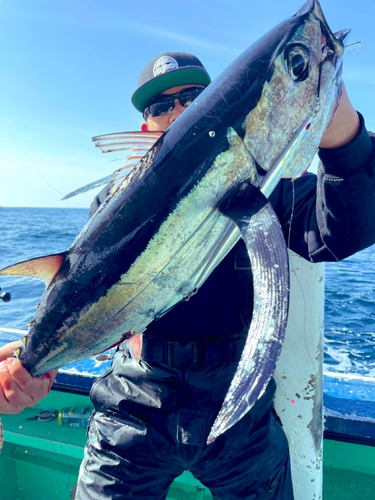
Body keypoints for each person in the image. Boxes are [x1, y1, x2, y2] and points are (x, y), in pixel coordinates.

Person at [0, 51, 374, 499]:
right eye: (159, 106)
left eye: (193, 98)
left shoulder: (263, 184)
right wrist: (30, 366)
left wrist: (342, 133)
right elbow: (82, 301)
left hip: (237, 402)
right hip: (133, 401)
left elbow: (340, 232)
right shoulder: (110, 204)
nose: (176, 111)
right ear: (145, 127)